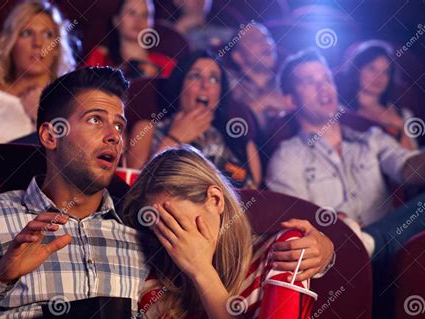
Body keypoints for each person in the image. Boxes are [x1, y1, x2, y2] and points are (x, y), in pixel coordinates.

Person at [0, 67, 148, 319]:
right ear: (50, 135)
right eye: (95, 119)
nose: (114, 135)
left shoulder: (141, 238)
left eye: (119, 125)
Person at [265, 48, 425, 319]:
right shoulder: (287, 157)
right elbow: (296, 227)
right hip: (337, 267)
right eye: (309, 81)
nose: (323, 86)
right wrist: (335, 226)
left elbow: (408, 166)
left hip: (397, 262)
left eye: (326, 77)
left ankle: (372, 242)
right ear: (291, 100)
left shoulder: (371, 139)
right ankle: (366, 244)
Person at [121, 146, 335, 319]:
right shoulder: (155, 290)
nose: (174, 243)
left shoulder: (283, 253)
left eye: (178, 224)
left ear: (215, 200)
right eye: (159, 229)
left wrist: (202, 272)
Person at [127, 50, 262, 189]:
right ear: (180, 85)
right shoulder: (147, 129)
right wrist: (174, 138)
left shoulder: (239, 139)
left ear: (220, 92)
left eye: (214, 79)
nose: (205, 85)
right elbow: (135, 187)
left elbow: (253, 196)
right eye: (195, 76)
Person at [0, 0, 76, 149]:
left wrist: (41, 114)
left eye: (47, 34)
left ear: (57, 47)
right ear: (11, 43)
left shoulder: (73, 100)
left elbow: (76, 158)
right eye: (26, 33)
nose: (38, 43)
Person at [336, 40, 418, 149]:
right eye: (372, 69)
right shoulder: (339, 111)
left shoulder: (403, 114)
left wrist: (400, 128)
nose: (378, 77)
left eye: (385, 72)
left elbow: (414, 159)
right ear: (357, 70)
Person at [84, 0, 176, 79]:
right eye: (131, 13)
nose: (138, 20)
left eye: (145, 15)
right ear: (116, 20)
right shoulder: (100, 58)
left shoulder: (167, 65)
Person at [226, 23, 293, 131]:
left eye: (267, 37)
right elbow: (227, 123)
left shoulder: (288, 82)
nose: (264, 42)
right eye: (254, 39)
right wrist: (262, 103)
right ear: (238, 56)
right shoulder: (227, 83)